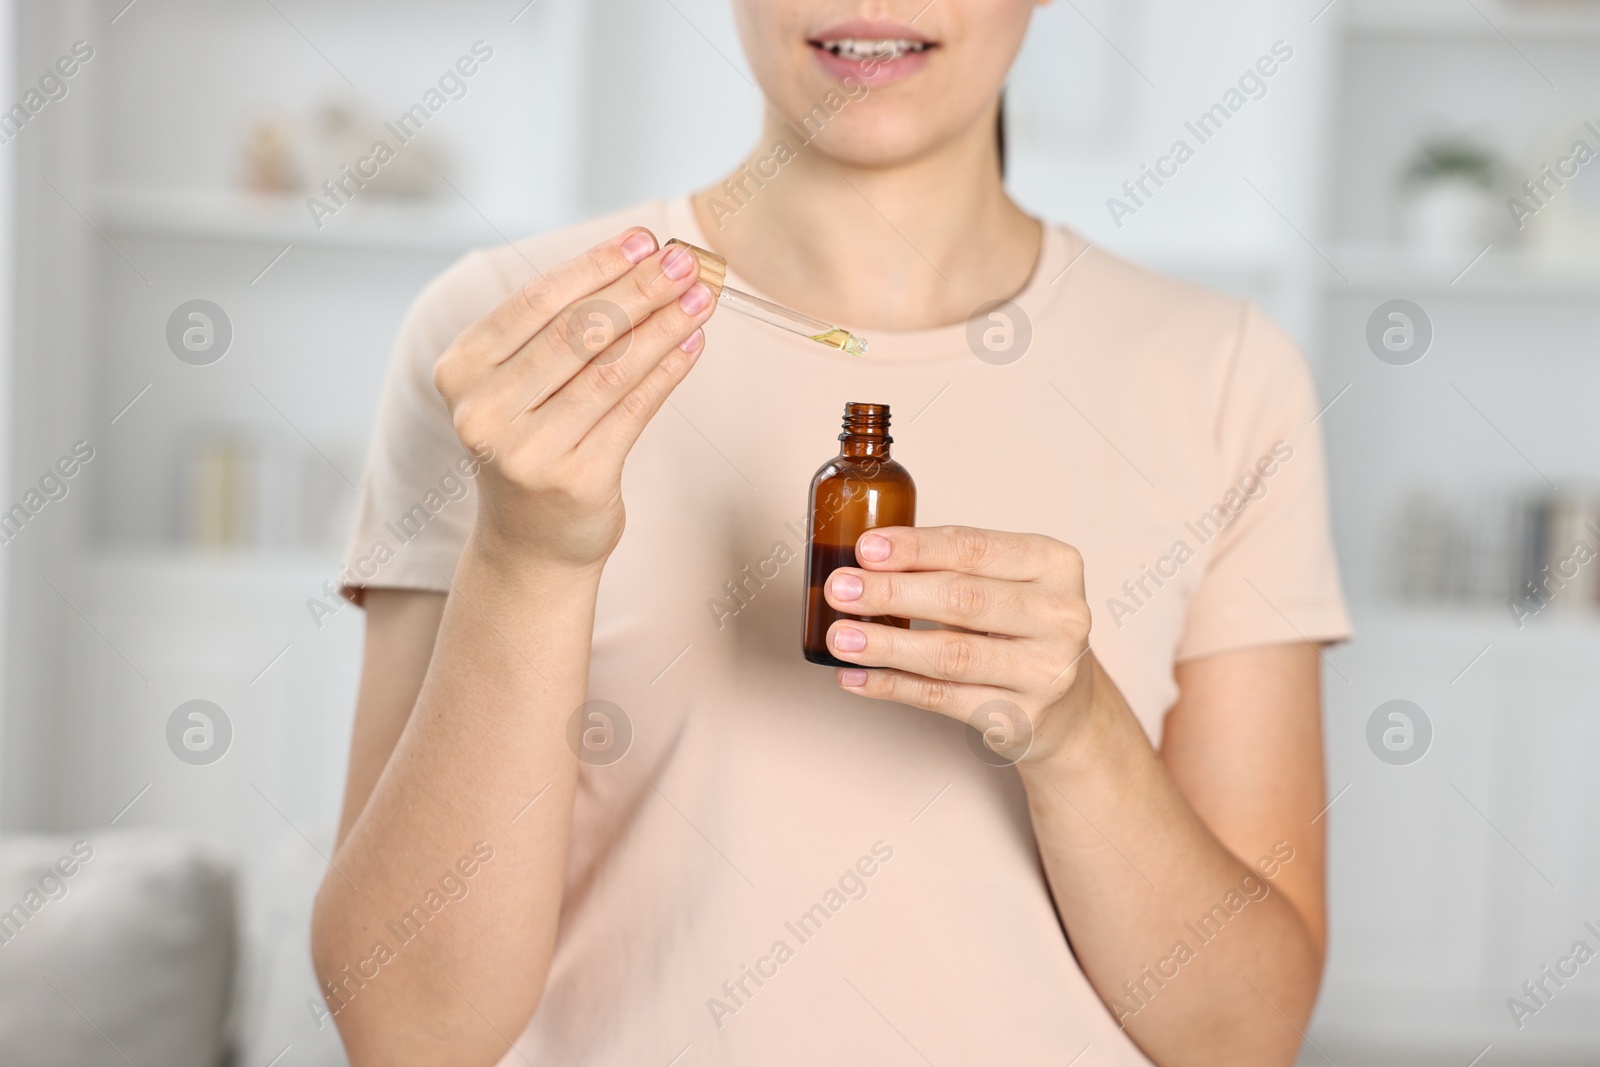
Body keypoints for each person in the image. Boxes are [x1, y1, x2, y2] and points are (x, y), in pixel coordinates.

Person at [310, 3, 1350, 1065]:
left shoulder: (1226, 376)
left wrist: (1079, 730)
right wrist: (526, 555)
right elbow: (406, 1031)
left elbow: (1245, 1034)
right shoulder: (506, 347)